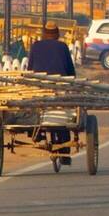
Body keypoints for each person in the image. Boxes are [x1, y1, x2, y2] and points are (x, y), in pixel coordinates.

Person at [26, 25, 80, 165]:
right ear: (57, 35)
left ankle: (36, 133)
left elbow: (30, 68)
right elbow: (70, 70)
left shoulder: (35, 46)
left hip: (40, 87)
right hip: (59, 86)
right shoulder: (62, 47)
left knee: (35, 108)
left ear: (44, 34)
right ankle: (65, 154)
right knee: (64, 115)